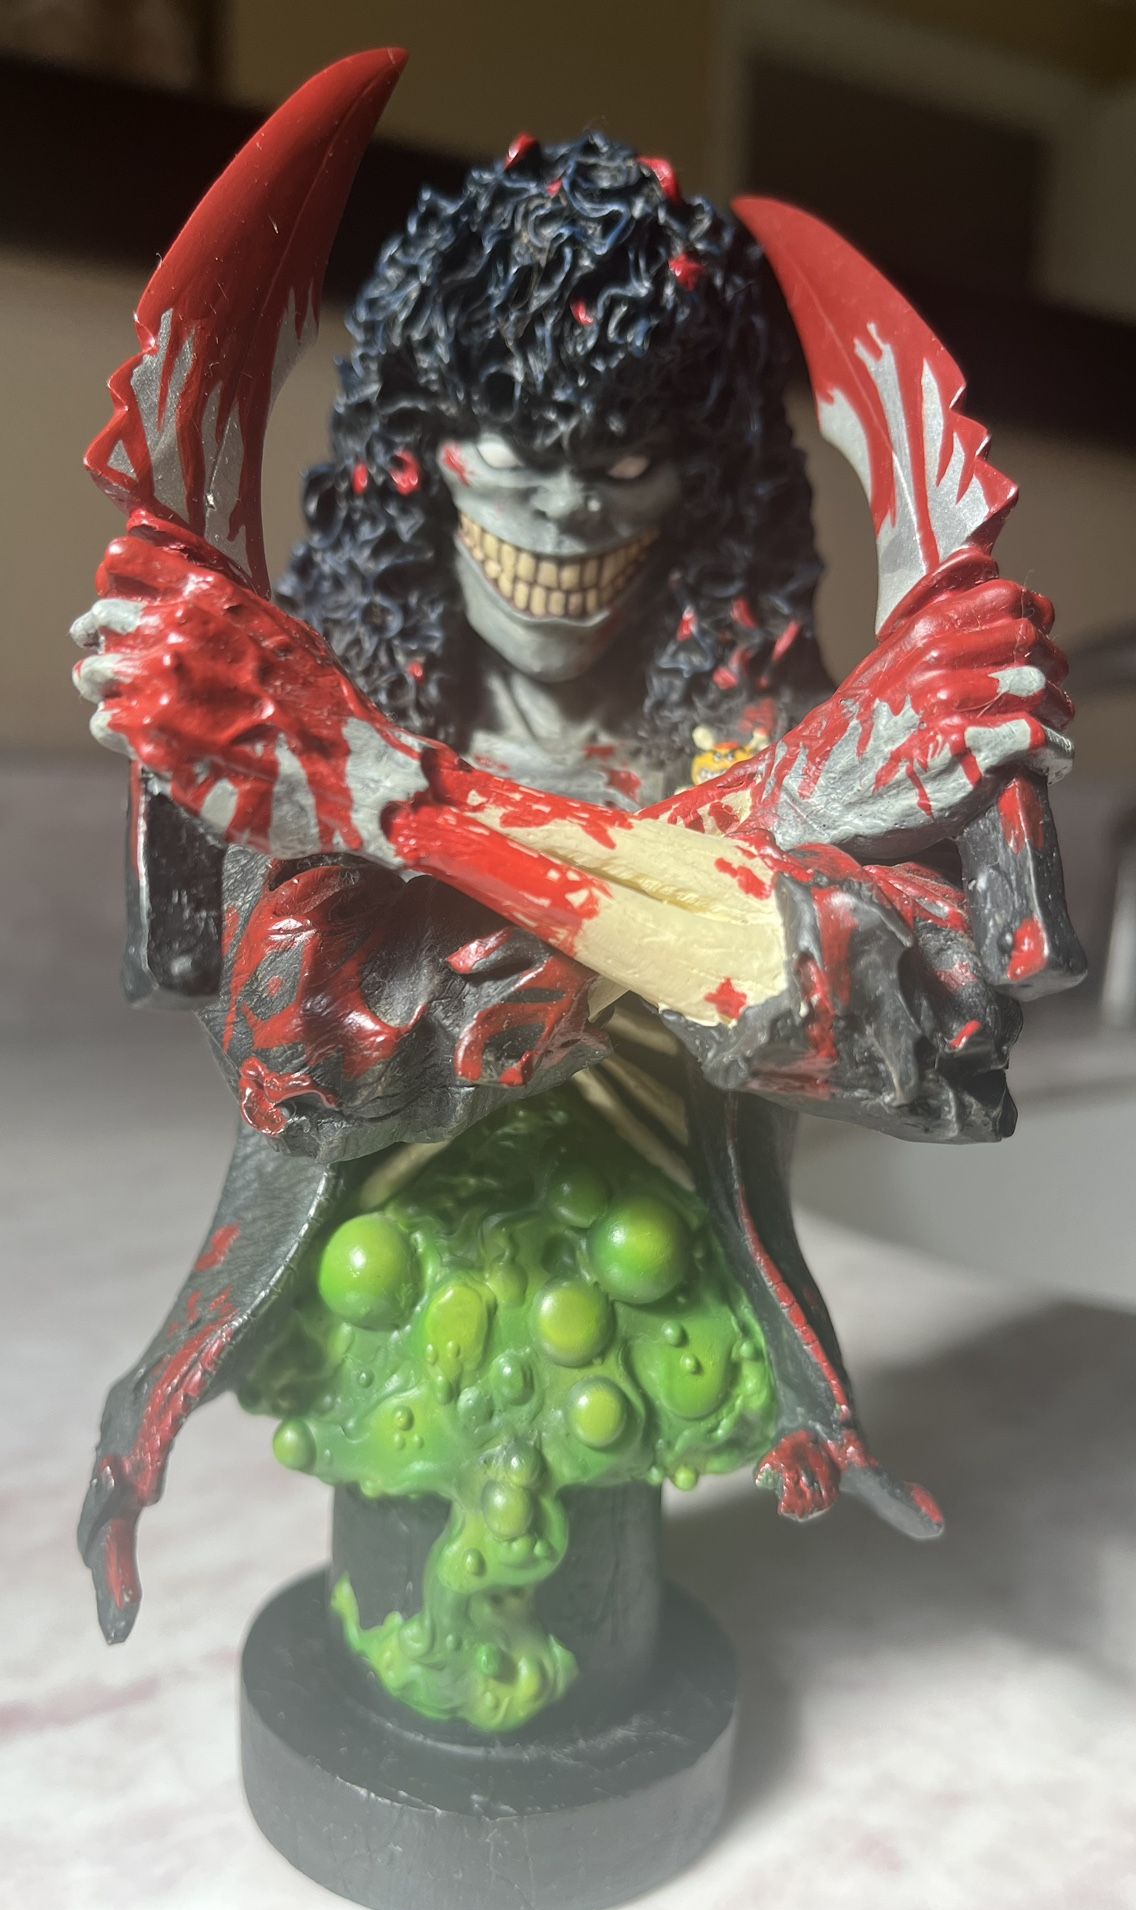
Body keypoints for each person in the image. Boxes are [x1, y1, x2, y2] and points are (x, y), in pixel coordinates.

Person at [74, 133, 1071, 1691]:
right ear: (421, 444)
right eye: (511, 444)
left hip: (661, 1266)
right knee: (408, 1594)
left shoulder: (354, 734)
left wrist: (394, 799)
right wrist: (776, 832)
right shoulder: (288, 720)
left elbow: (931, 1041)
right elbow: (314, 1051)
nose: (562, 515)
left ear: (700, 473)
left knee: (604, 1636)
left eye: (623, 459)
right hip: (384, 1272)